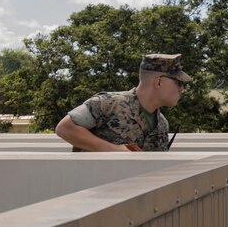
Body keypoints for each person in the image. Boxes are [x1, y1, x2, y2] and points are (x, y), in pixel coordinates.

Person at [55, 53, 191, 152]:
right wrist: (115, 150)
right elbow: (64, 128)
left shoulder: (161, 124)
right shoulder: (109, 104)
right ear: (159, 82)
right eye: (178, 83)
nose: (181, 89)